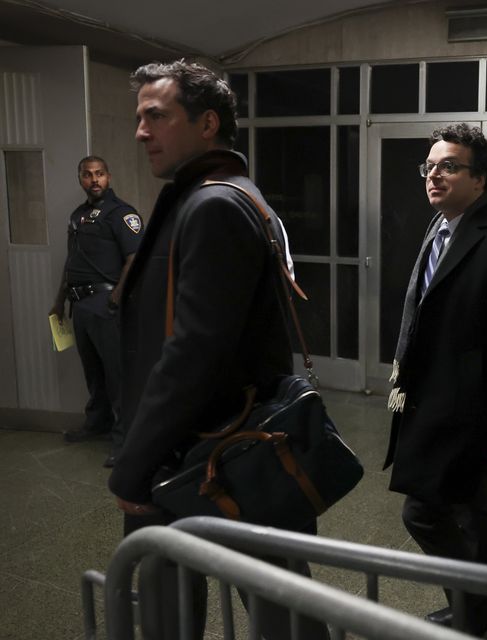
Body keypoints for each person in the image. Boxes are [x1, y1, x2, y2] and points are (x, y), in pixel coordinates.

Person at [107, 60, 327, 640]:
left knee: (259, 609)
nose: (141, 131)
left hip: (204, 455)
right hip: (204, 448)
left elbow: (193, 354)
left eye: (156, 116)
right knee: (274, 601)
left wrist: (134, 465)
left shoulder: (213, 206)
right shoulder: (216, 196)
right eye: (139, 118)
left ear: (208, 124)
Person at [384, 123, 487, 636]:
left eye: (448, 166)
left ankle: (473, 601)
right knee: (471, 512)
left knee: (423, 513)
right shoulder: (439, 229)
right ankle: (483, 607)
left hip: (465, 410)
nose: (433, 175)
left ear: (482, 181)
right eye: (429, 166)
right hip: (431, 399)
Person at [50, 156, 141, 467]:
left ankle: (125, 439)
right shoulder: (78, 216)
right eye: (87, 175)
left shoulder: (121, 213)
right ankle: (97, 423)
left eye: (99, 174)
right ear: (80, 179)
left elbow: (134, 259)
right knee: (94, 372)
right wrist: (59, 299)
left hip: (106, 304)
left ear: (108, 177)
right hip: (80, 305)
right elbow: (71, 260)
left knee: (117, 376)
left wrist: (115, 298)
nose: (94, 180)